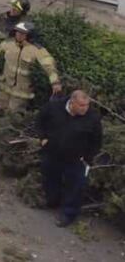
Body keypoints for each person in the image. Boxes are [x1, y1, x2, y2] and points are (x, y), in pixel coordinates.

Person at [37, 90, 102, 227]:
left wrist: (87, 159)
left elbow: (96, 141)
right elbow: (40, 119)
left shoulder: (92, 118)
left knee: (75, 187)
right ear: (72, 103)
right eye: (81, 105)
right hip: (53, 153)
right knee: (50, 178)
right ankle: (52, 200)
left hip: (77, 159)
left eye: (87, 105)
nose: (85, 109)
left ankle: (68, 214)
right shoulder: (55, 107)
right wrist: (43, 138)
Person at [0, 21, 61, 112]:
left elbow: (49, 66)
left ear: (29, 35)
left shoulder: (37, 50)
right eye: (17, 32)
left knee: (13, 117)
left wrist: (55, 82)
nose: (18, 35)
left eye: (22, 33)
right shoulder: (8, 44)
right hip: (3, 88)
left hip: (21, 93)